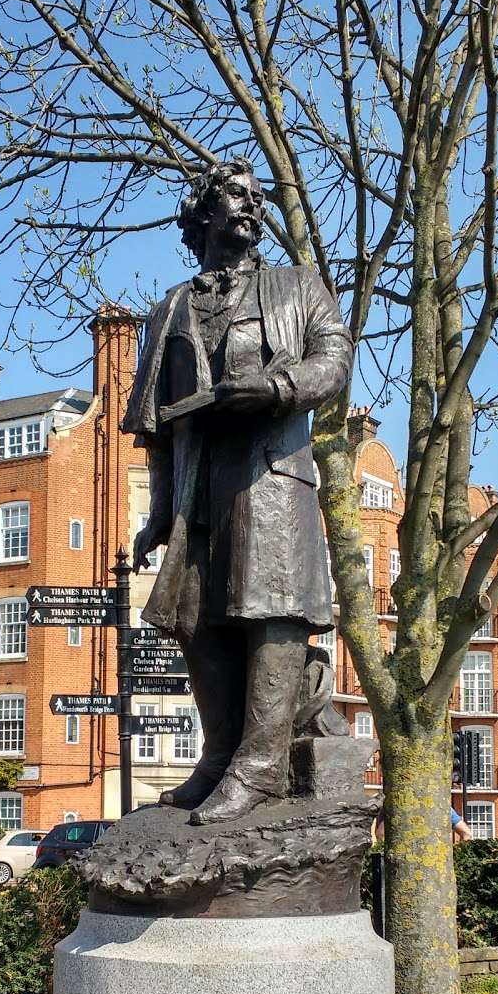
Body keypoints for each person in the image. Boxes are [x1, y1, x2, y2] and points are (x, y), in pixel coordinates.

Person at [123, 157, 353, 825]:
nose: (251, 206)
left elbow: (334, 360)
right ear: (202, 213)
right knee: (195, 622)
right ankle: (221, 756)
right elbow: (157, 427)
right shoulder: (170, 309)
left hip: (270, 479)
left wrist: (277, 388)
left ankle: (258, 770)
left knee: (270, 614)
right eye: (235, 195)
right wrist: (158, 514)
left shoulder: (297, 286)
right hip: (201, 485)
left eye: (258, 198)